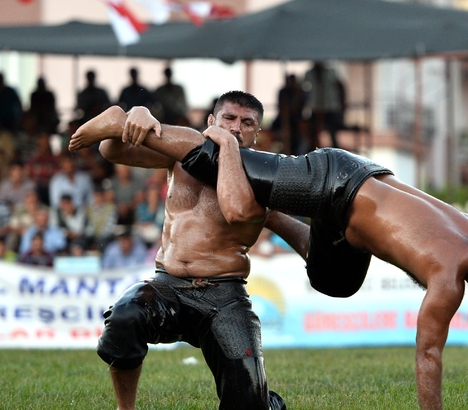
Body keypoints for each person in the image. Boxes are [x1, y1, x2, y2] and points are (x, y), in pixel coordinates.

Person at [69, 101, 468, 410]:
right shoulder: (449, 275)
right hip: (336, 180)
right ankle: (151, 121)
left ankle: (268, 211)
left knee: (335, 282)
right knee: (225, 158)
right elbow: (428, 356)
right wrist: (139, 119)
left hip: (353, 208)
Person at [69, 91, 309, 410]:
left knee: (249, 400)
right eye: (229, 118)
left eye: (247, 122)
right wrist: (136, 114)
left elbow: (305, 240)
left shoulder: (265, 178)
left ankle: (269, 404)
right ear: (211, 121)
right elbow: (112, 150)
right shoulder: (181, 154)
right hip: (168, 286)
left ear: (257, 133)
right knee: (126, 316)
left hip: (224, 295)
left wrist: (344, 245)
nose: (236, 127)